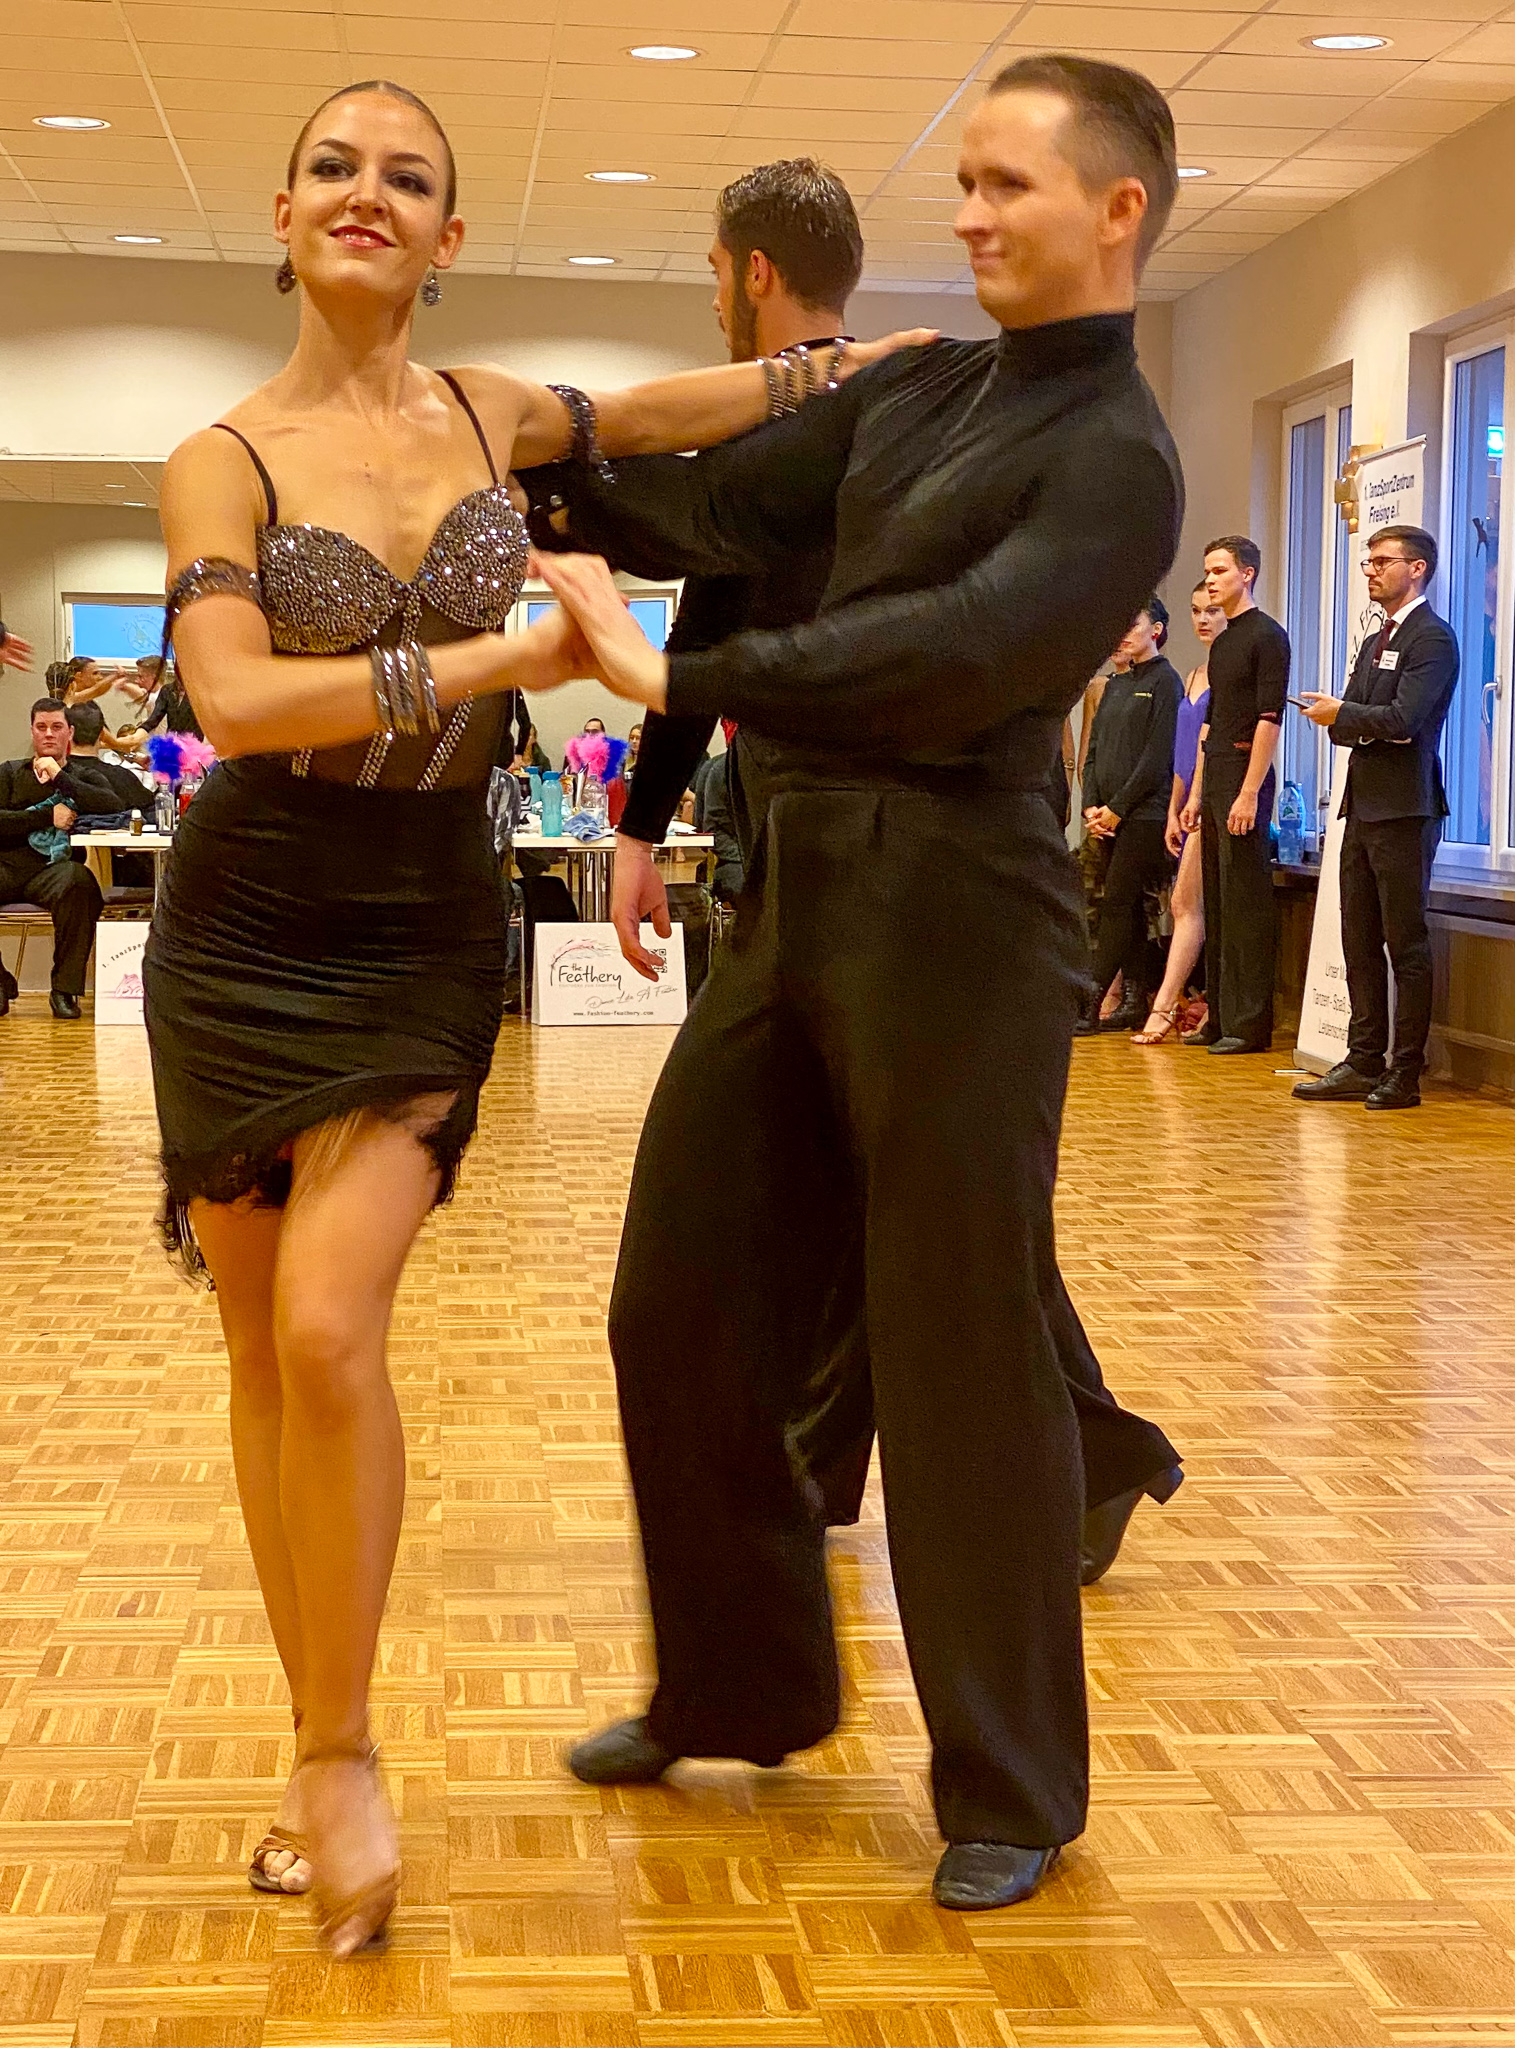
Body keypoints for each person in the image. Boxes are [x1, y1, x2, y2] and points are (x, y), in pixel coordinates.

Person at [141, 77, 921, 1958]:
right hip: (243, 923)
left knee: (328, 1323)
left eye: (407, 177)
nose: (368, 193)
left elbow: (667, 411)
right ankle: (317, 1738)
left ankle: (340, 1758)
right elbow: (234, 704)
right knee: (263, 1348)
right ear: (284, 211)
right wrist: (505, 652)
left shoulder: (492, 412)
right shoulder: (219, 458)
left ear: (447, 236)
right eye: (334, 167)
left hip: (416, 921)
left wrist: (852, 367)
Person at [533, 52, 1187, 1914]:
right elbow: (720, 518)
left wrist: (677, 684)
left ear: (1117, 210)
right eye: (961, 183)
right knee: (674, 1297)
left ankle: (1010, 1779)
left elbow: (949, 651)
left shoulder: (1119, 457)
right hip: (802, 885)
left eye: (1006, 184)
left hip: (963, 908)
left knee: (953, 1333)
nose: (966, 215)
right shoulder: (920, 388)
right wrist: (537, 472)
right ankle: (738, 1685)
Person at [1293, 524, 1459, 1110]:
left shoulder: (1431, 638)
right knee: (1357, 938)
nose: (1370, 570)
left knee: (1404, 943)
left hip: (1405, 810)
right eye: (1367, 562)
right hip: (1361, 807)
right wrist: (1345, 715)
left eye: (1382, 561)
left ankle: (1405, 1072)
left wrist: (1349, 714)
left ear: (1416, 568)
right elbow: (1351, 723)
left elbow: (1404, 719)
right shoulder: (1373, 639)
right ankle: (1363, 1059)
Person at [1181, 535, 1287, 1053]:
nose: (1211, 580)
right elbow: (1212, 724)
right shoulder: (1224, 642)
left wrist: (1249, 793)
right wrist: (1196, 794)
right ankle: (1220, 1016)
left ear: (1247, 574)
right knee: (1219, 901)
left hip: (1246, 773)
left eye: (1220, 570)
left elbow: (1269, 719)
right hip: (1219, 771)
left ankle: (1249, 1023)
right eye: (1207, 571)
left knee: (1245, 900)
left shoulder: (1268, 636)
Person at [1074, 598, 1181, 1035]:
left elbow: (1157, 758)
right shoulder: (1116, 684)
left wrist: (1117, 810)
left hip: (1145, 815)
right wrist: (1092, 804)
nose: (1122, 632)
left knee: (1117, 902)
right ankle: (1135, 1000)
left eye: (1132, 623)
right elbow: (1094, 751)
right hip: (1107, 815)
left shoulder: (1166, 682)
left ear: (1155, 629)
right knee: (1128, 908)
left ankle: (1089, 1002)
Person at [1133, 581, 1223, 1044]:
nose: (1202, 619)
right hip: (1186, 803)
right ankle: (1192, 1002)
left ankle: (1165, 1006)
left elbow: (1210, 745)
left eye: (1211, 610)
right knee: (1188, 904)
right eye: (1196, 611)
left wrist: (1196, 801)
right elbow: (1181, 752)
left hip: (1212, 800)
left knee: (1184, 903)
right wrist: (1174, 807)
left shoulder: (1227, 675)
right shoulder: (1194, 675)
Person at [0, 697, 119, 1018]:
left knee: (80, 883)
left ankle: (65, 990)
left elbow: (112, 805)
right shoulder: (9, 773)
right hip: (7, 866)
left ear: (70, 732)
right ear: (32, 731)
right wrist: (45, 817)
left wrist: (59, 778)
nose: (49, 734)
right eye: (41, 727)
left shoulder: (83, 777)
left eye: (56, 727)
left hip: (53, 871)